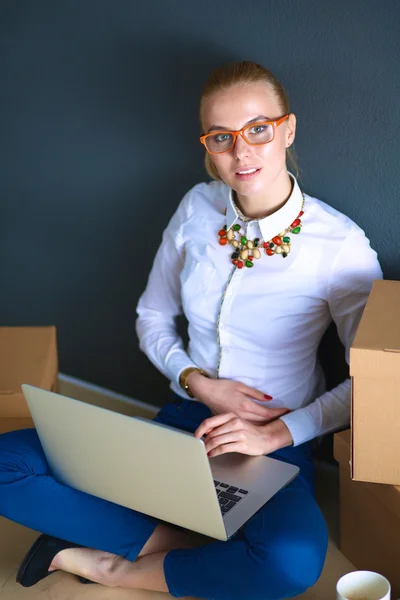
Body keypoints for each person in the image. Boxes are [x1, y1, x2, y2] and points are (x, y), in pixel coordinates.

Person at [0, 61, 382, 600]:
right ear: (207, 143)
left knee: (291, 564)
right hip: (183, 425)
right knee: (4, 464)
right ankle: (177, 537)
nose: (241, 152)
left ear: (288, 129)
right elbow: (151, 318)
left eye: (258, 130)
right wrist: (197, 382)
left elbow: (376, 383)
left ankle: (111, 566)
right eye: (222, 137)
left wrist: (275, 434)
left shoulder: (340, 246)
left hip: (274, 445)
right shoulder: (196, 208)